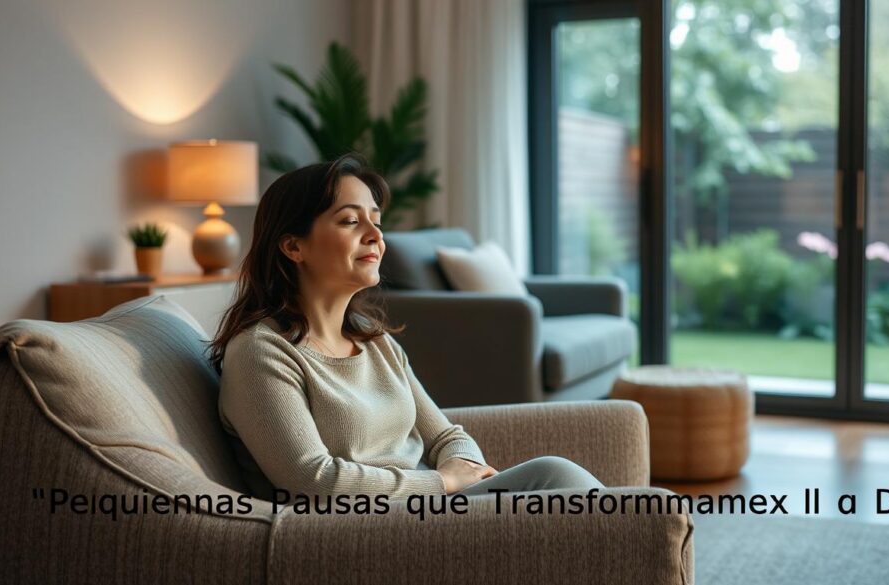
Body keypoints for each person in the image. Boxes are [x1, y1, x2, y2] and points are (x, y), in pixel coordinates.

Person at [210, 153, 605, 502]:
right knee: (555, 477)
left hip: (428, 508)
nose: (375, 235)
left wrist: (459, 475)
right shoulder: (260, 351)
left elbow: (447, 437)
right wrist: (441, 482)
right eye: (350, 220)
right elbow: (314, 482)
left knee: (568, 497)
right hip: (368, 532)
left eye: (376, 221)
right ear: (293, 247)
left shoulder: (372, 340)